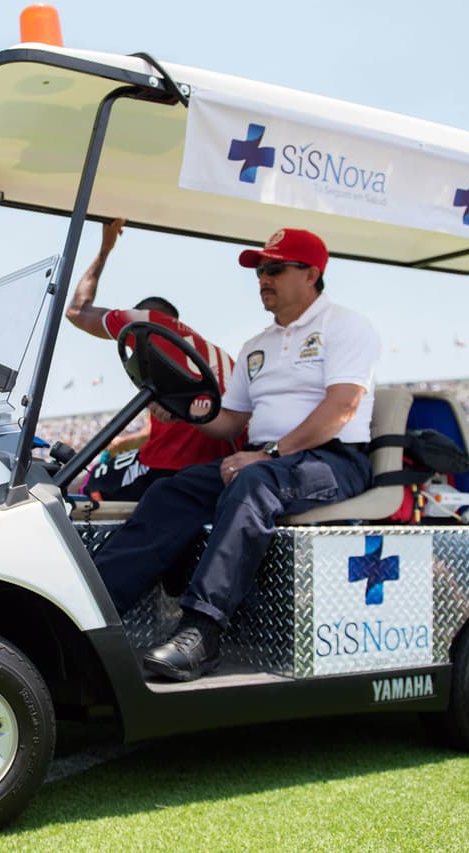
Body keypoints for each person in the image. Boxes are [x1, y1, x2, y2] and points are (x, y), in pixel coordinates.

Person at [93, 227, 380, 681]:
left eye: (274, 269)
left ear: (311, 274)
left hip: (331, 461)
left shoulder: (345, 326)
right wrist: (183, 406)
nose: (263, 279)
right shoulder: (256, 347)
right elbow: (229, 421)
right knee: (173, 489)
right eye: (260, 271)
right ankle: (92, 606)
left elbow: (341, 407)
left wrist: (268, 453)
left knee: (251, 483)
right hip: (269, 462)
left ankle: (201, 631)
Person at [65, 217, 240, 501]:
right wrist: (124, 442)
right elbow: (172, 424)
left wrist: (105, 250)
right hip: (214, 469)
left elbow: (76, 311)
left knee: (74, 484)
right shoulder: (216, 356)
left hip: (168, 468)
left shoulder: (145, 327)